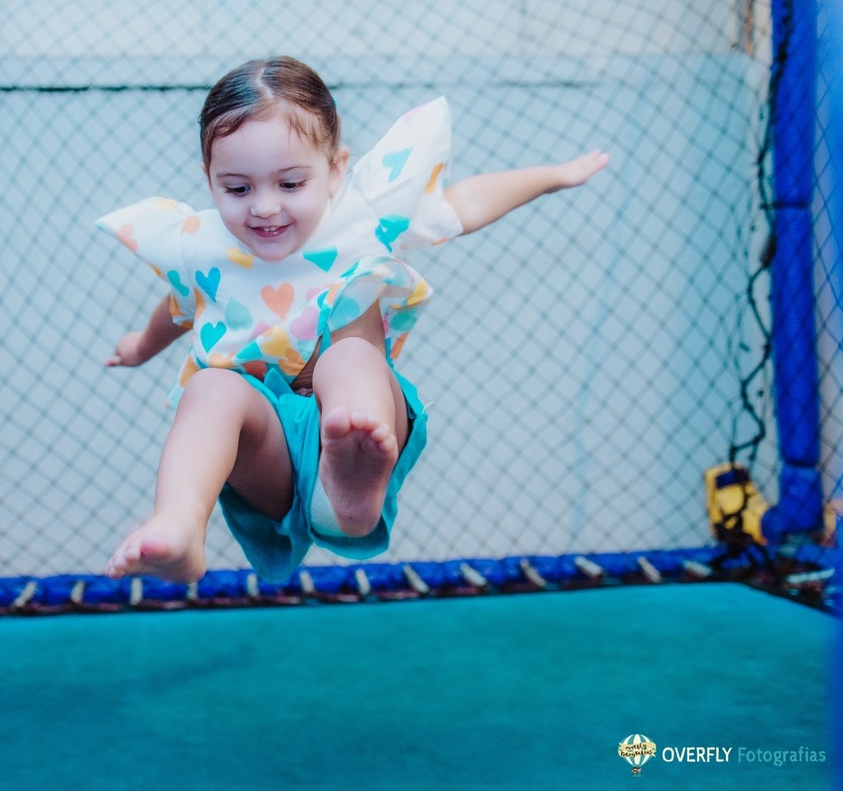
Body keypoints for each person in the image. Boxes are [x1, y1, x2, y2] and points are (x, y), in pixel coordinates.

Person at [96, 56, 608, 584]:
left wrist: (554, 176)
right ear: (209, 179)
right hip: (270, 455)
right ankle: (180, 524)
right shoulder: (202, 248)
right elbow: (180, 308)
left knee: (349, 353)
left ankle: (353, 476)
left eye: (290, 184)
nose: (265, 208)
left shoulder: (363, 213)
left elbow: (464, 203)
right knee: (209, 390)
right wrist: (140, 345)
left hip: (357, 412)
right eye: (238, 189)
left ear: (336, 169)